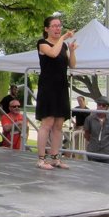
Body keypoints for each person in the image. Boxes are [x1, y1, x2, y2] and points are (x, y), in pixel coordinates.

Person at [35, 16, 77, 170]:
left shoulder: (63, 45)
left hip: (61, 87)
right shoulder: (42, 43)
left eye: (59, 26)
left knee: (59, 124)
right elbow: (52, 53)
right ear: (47, 29)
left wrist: (71, 51)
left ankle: (55, 157)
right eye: (54, 26)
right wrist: (64, 38)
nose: (58, 29)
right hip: (48, 86)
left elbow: (72, 65)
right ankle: (41, 159)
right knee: (47, 122)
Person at [83, 96, 109, 164]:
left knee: (107, 173)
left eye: (103, 105)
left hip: (107, 154)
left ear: (107, 107)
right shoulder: (89, 119)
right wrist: (94, 142)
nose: (100, 106)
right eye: (99, 104)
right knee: (92, 172)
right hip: (93, 152)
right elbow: (86, 134)